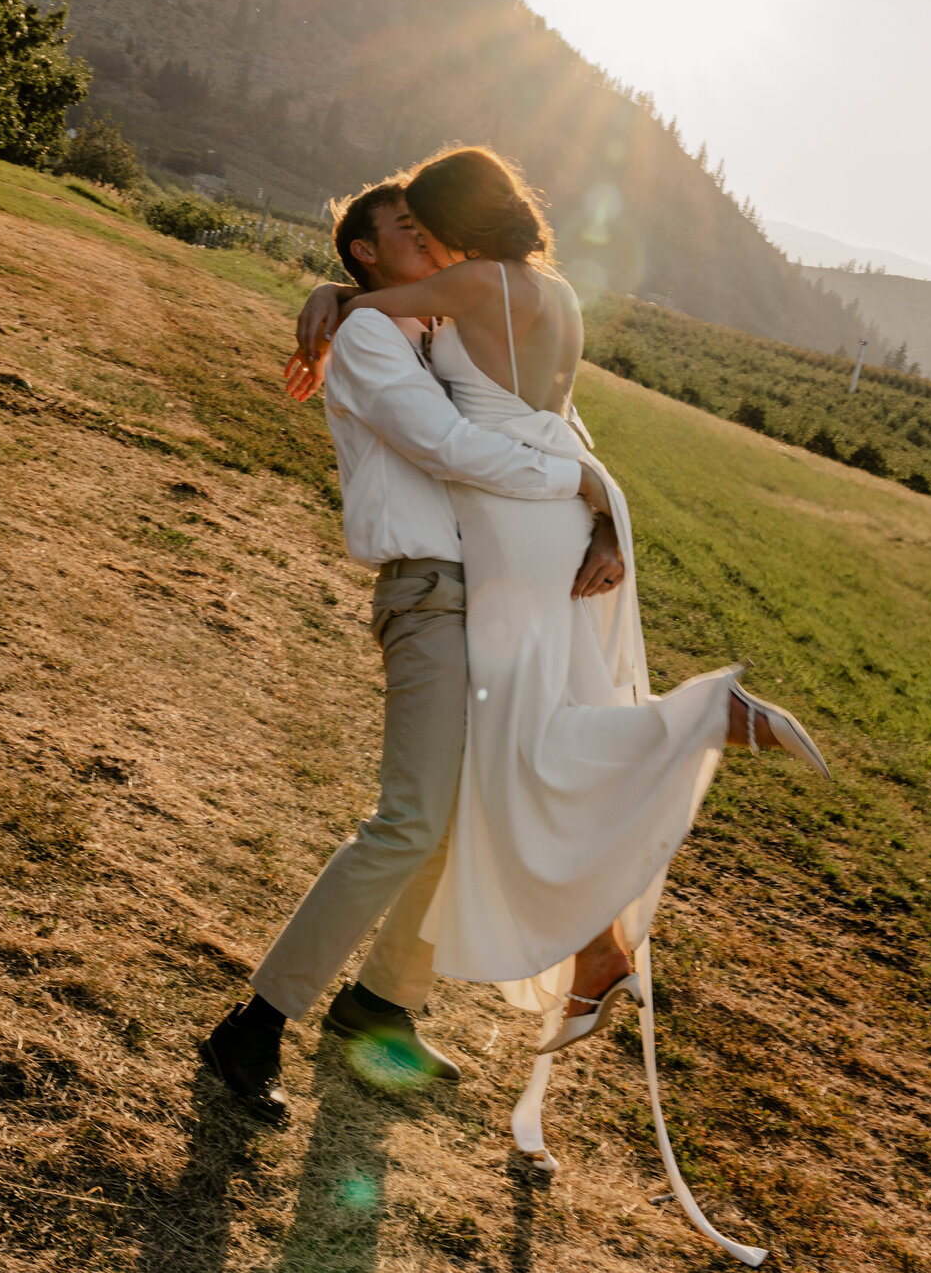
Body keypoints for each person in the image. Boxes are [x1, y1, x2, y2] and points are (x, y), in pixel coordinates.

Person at [326, 147, 828, 1074]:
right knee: (535, 732)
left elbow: (359, 316)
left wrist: (334, 295)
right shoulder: (556, 293)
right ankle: (592, 953)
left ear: (455, 227)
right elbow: (556, 417)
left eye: (426, 226)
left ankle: (699, 718)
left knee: (528, 742)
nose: (424, 244)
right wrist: (598, 512)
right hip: (561, 515)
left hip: (514, 528)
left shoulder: (470, 284)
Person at [200, 180, 623, 1123]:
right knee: (409, 819)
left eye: (431, 230)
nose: (428, 246)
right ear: (363, 255)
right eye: (402, 234)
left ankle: (380, 1005)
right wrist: (578, 481)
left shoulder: (443, 324)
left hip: (507, 592)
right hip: (431, 590)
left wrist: (603, 520)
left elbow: (541, 418)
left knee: (466, 815)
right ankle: (255, 1023)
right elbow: (445, 446)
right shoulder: (369, 337)